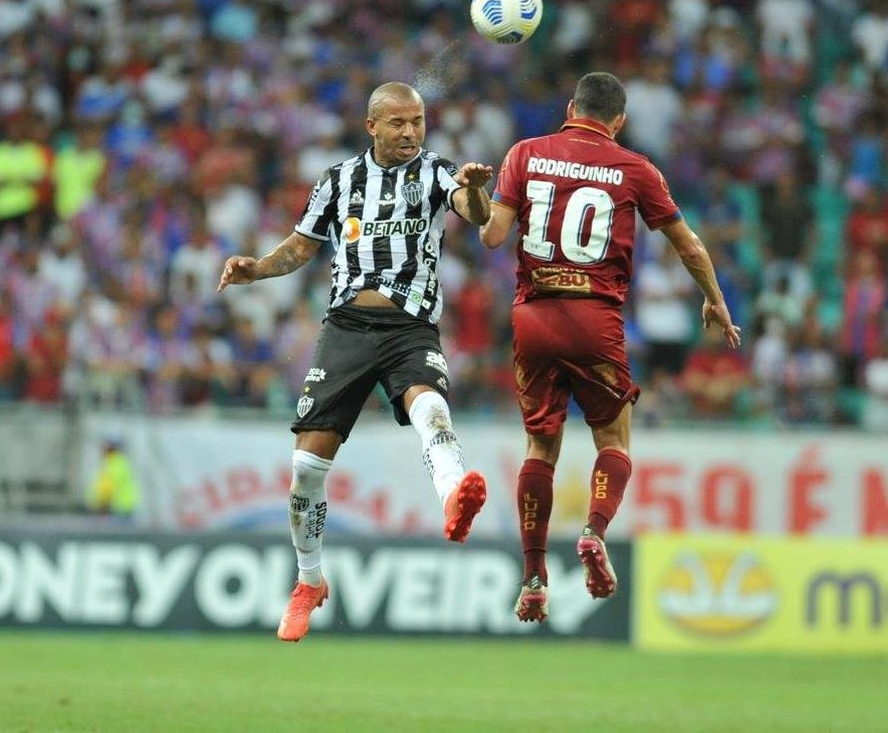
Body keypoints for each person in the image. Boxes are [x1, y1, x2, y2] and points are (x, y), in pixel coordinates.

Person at [218, 82, 494, 642]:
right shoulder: (338, 181)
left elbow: (476, 216)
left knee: (432, 408)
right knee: (305, 470)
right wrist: (256, 270)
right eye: (398, 123)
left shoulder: (439, 172)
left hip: (410, 326)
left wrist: (476, 190)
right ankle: (309, 582)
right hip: (345, 329)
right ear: (372, 126)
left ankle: (453, 496)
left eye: (417, 121)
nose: (411, 132)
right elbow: (300, 246)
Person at [480, 72, 741, 623]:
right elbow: (688, 245)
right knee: (614, 438)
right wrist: (715, 300)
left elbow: (492, 235)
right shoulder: (635, 169)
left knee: (540, 449)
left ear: (570, 106)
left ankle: (532, 573)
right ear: (618, 120)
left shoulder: (525, 153)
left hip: (533, 317)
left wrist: (475, 194)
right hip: (595, 316)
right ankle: (594, 531)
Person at [86, 437, 141, 519]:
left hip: (118, 508)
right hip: (124, 507)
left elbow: (107, 488)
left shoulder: (114, 465)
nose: (101, 451)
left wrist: (99, 505)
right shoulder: (120, 463)